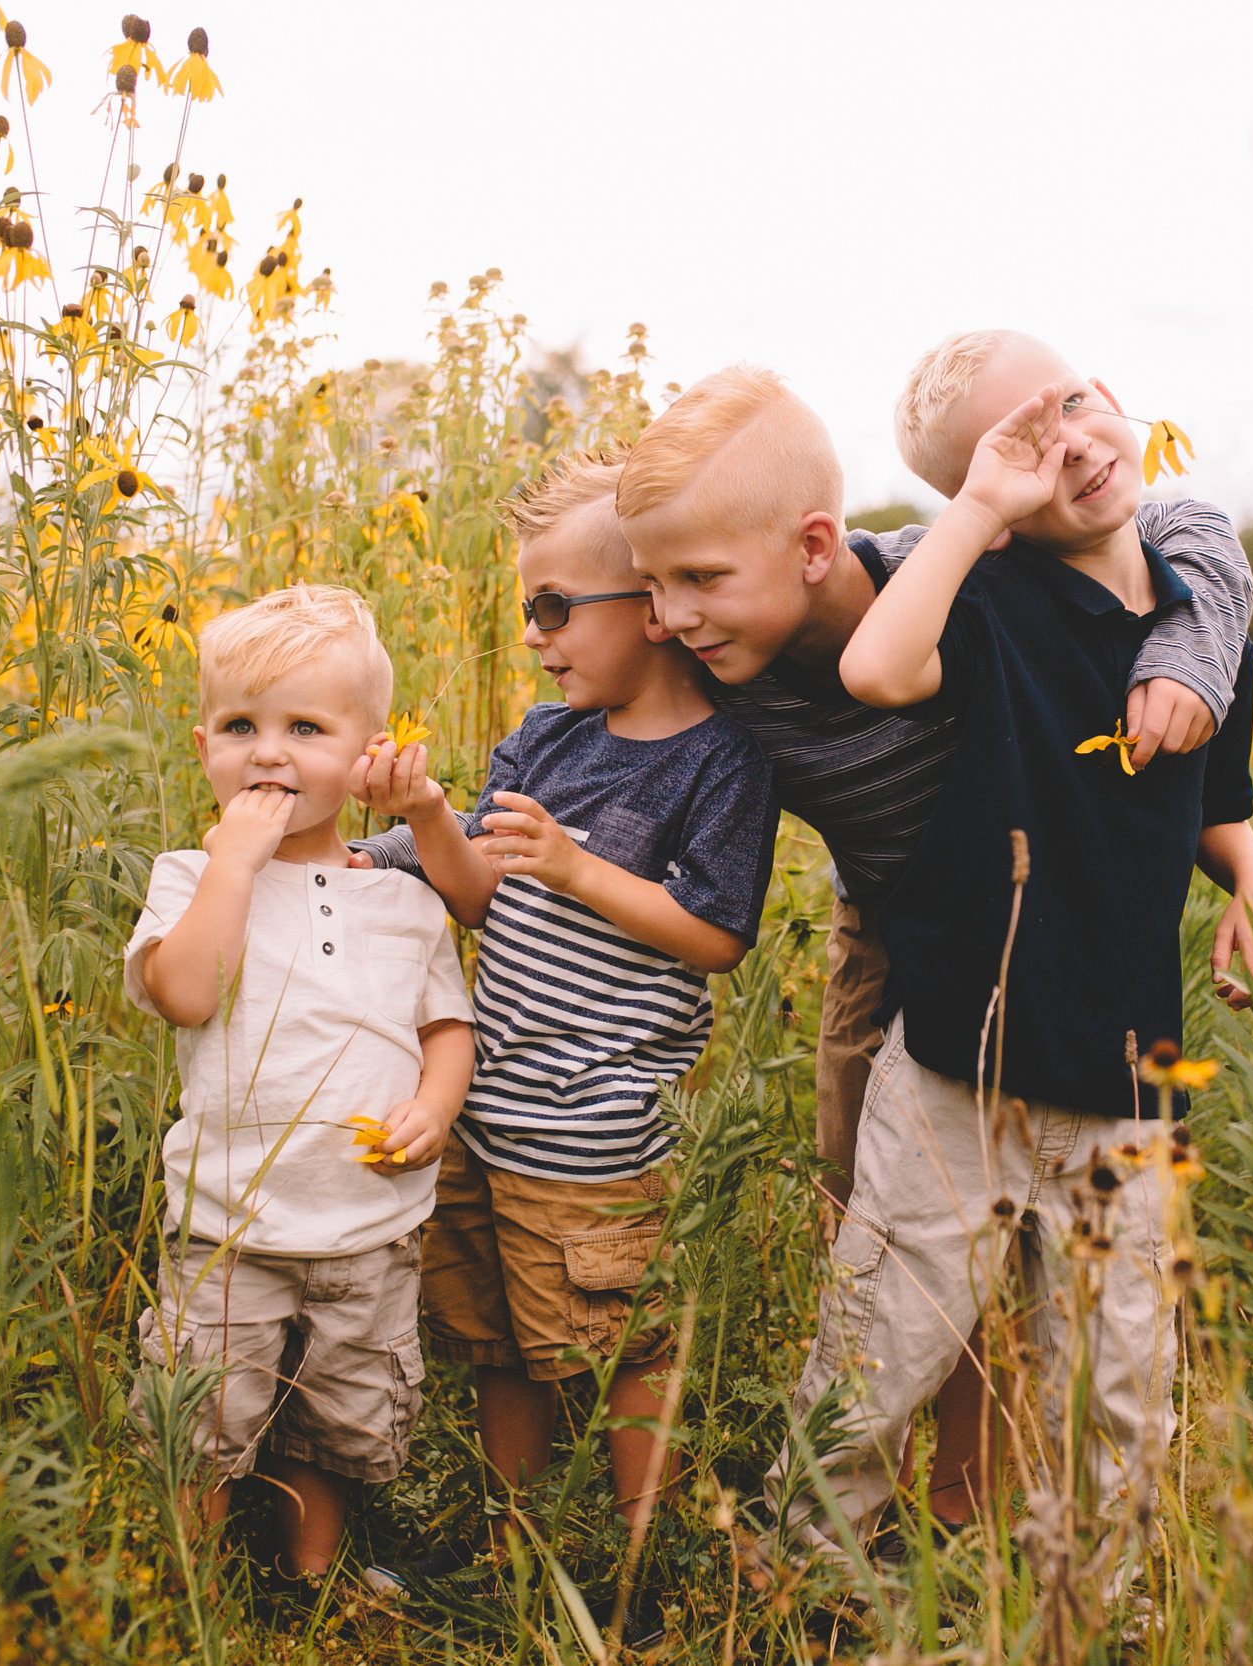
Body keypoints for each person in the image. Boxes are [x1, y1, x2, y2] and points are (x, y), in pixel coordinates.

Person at [616, 359, 1253, 1533]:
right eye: (654, 592)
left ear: (817, 548)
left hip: (1098, 985)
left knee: (1104, 1336)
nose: (672, 615)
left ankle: (1014, 1534)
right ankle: (823, 1539)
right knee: (891, 1272)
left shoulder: (990, 578)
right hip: (911, 943)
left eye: (698, 583)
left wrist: (1238, 852)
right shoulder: (764, 641)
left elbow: (1193, 544)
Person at [349, 446, 778, 1558]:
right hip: (488, 1108)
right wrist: (416, 825)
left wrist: (581, 869)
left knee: (624, 1342)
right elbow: (476, 889)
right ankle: (515, 1540)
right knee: (499, 1340)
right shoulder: (547, 739)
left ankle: (648, 1554)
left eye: (552, 607)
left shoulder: (719, 761)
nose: (534, 635)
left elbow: (720, 937)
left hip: (596, 1131)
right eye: (525, 607)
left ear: (650, 607)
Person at [125, 583, 474, 1583]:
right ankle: (185, 1581)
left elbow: (446, 1024)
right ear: (205, 751)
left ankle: (312, 1571)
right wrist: (233, 863)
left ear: (368, 755)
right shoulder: (189, 878)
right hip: (226, 1225)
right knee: (203, 1405)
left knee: (341, 1411)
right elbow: (185, 992)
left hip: (367, 1223)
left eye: (305, 727)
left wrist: (435, 1106)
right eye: (240, 726)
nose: (268, 752)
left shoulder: (402, 900)